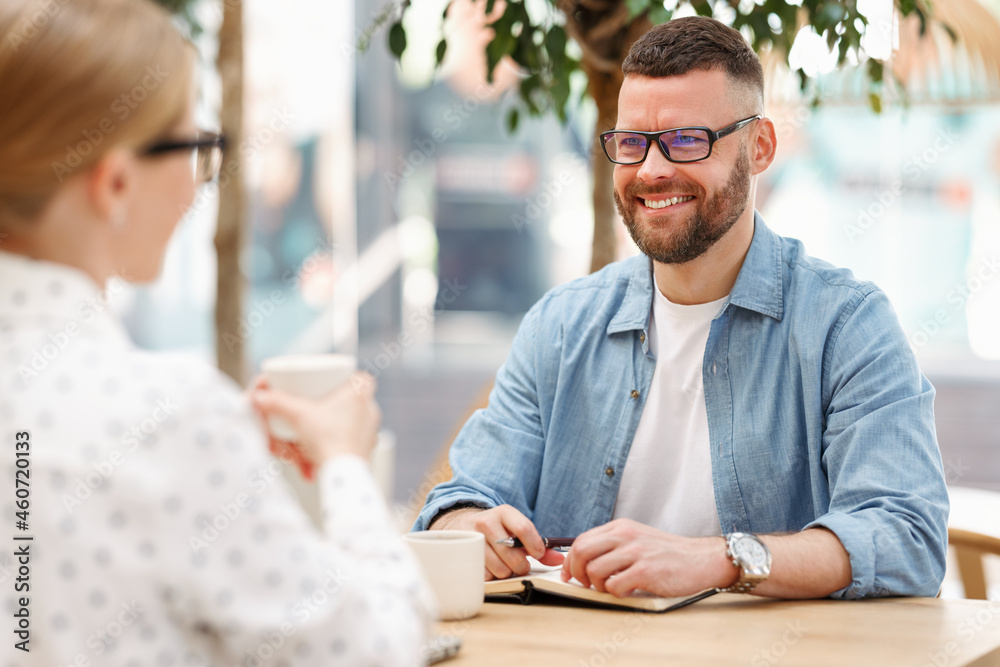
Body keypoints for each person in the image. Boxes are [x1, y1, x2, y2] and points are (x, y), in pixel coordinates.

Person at [415, 16, 949, 600]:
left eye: (688, 141)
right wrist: (467, 527)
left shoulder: (846, 325)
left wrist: (720, 561)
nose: (651, 170)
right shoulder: (560, 325)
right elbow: (458, 500)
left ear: (760, 146)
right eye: (631, 143)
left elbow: (907, 536)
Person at [0, 0, 432, 664]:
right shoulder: (163, 416)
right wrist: (345, 460)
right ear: (114, 182)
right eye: (197, 146)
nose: (199, 182)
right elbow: (376, 647)